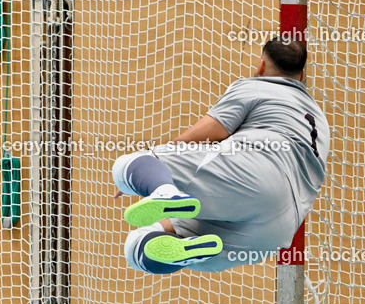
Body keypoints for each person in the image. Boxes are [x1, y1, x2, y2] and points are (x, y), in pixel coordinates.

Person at [111, 35, 330, 274]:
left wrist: (148, 174)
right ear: (301, 76)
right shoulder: (319, 119)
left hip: (254, 175)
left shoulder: (255, 86)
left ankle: (166, 191)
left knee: (127, 165)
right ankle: (183, 248)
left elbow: (200, 136)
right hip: (276, 230)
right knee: (137, 248)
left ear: (262, 66)